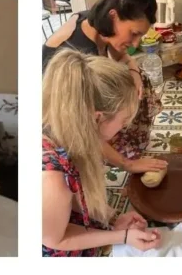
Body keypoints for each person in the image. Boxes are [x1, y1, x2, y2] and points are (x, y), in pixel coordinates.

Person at [42, 49, 162, 256]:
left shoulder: (71, 133)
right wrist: (123, 237)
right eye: (123, 121)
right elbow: (55, 239)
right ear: (97, 118)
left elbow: (76, 197)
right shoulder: (54, 178)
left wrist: (112, 217)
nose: (123, 128)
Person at [42, 0, 166, 175]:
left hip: (83, 115)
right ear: (113, 16)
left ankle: (128, 146)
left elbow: (122, 56)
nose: (136, 43)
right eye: (134, 33)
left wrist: (134, 71)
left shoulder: (96, 24)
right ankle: (119, 154)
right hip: (58, 130)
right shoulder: (78, 58)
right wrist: (127, 165)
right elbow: (84, 130)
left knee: (139, 80)